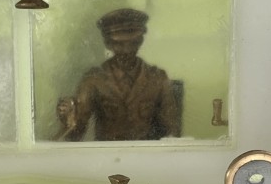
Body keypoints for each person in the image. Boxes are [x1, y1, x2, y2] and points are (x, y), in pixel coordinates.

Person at [56, 8, 180, 141]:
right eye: (119, 44)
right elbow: (75, 135)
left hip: (146, 151)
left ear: (140, 41)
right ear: (108, 43)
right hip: (106, 152)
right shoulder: (94, 79)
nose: (126, 50)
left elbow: (172, 131)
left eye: (132, 43)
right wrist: (69, 119)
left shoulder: (157, 78)